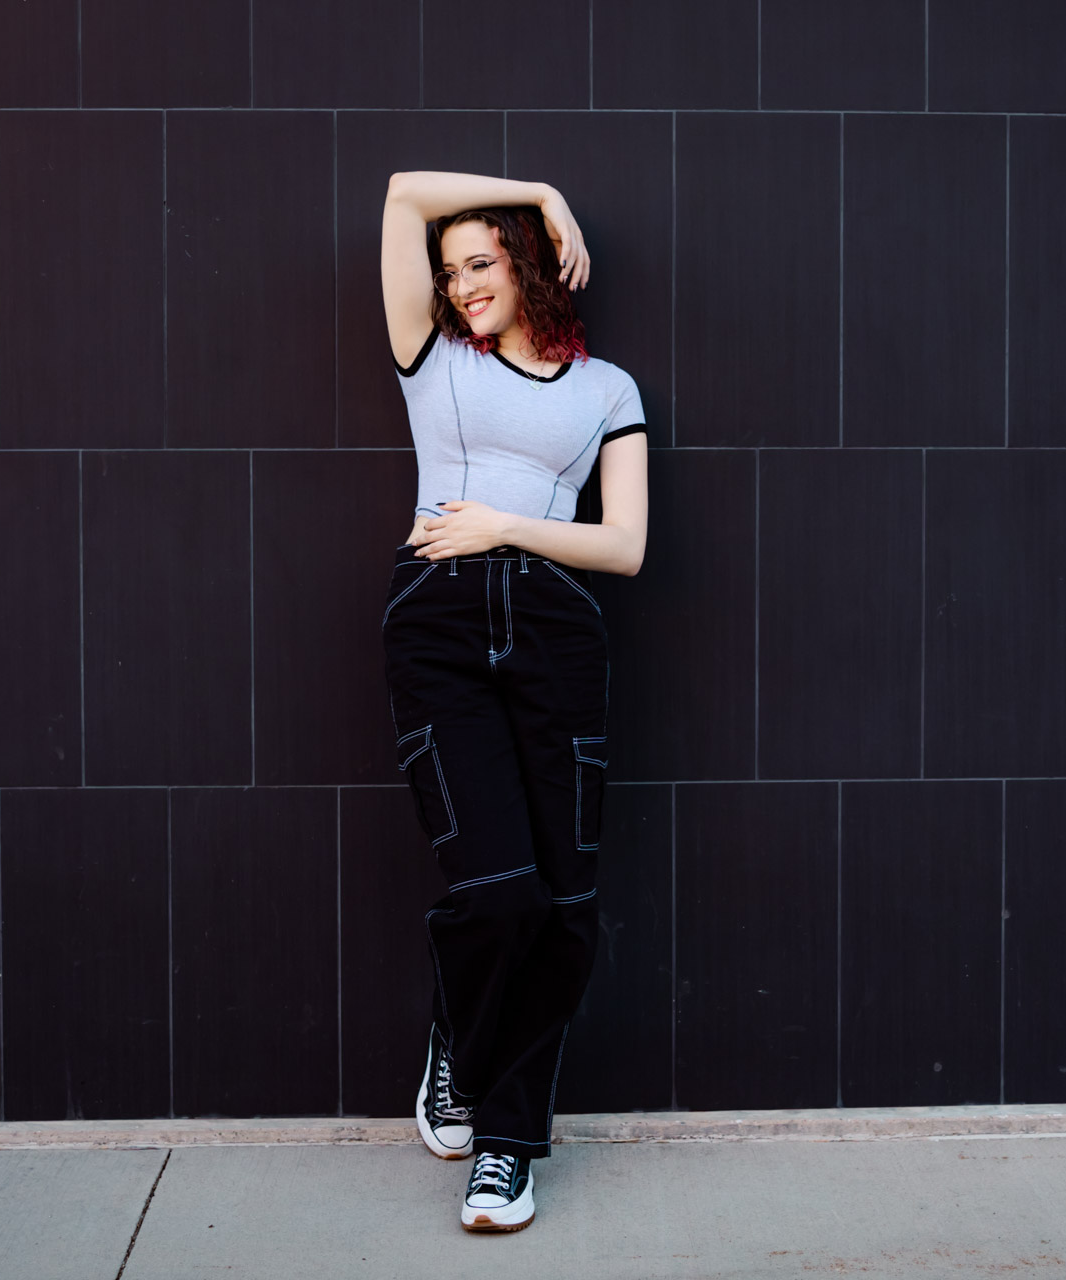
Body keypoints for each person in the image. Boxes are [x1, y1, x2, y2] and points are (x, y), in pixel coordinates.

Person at [378, 169, 648, 1233]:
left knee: (565, 908)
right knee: (501, 893)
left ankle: (505, 1148)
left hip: (556, 635)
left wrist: (505, 525)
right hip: (439, 627)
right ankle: (460, 1028)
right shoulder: (433, 359)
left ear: (530, 262)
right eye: (452, 273)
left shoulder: (608, 392)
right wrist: (538, 186)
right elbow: (403, 196)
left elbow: (623, 547)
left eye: (481, 261)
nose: (460, 285)